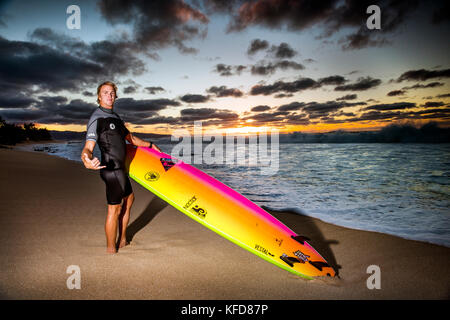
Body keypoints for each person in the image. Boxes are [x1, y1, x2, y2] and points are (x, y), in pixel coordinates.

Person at [81, 81, 160, 254]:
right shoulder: (97, 118)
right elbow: (88, 146)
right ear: (99, 96)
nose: (109, 95)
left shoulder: (116, 118)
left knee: (129, 199)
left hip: (120, 170)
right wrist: (86, 158)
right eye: (105, 92)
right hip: (111, 169)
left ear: (115, 96)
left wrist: (150, 144)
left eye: (112, 93)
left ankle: (122, 238)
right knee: (114, 209)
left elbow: (131, 138)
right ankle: (111, 249)